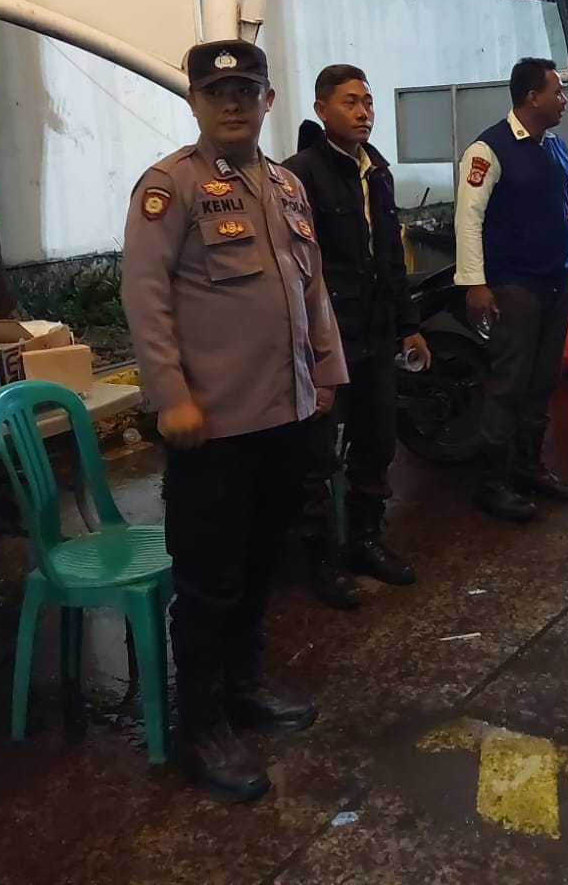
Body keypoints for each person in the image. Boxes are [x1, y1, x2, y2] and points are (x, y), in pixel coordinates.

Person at [121, 39, 347, 804]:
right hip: (212, 425)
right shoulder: (170, 187)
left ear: (267, 101)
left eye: (245, 91)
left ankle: (245, 687)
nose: (231, 104)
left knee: (260, 565)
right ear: (193, 102)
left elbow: (311, 289)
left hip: (283, 413)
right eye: (216, 93)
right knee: (209, 582)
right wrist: (170, 395)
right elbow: (144, 296)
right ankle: (204, 724)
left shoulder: (286, 185)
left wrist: (326, 372)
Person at [284, 65, 428, 610]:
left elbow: (391, 258)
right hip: (327, 342)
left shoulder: (377, 173)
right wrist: (309, 347)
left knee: (376, 443)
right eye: (350, 102)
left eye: (368, 102)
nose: (364, 112)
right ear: (321, 110)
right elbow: (296, 270)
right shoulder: (298, 177)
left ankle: (366, 539)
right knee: (315, 455)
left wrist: (409, 325)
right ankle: (320, 560)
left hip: (375, 337)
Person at [454, 57, 568, 523]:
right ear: (532, 97)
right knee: (510, 383)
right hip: (513, 284)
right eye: (558, 91)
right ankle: (491, 484)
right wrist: (475, 284)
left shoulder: (555, 147)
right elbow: (468, 220)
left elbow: (564, 211)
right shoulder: (488, 150)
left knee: (543, 380)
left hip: (554, 280)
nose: (564, 100)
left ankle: (529, 466)